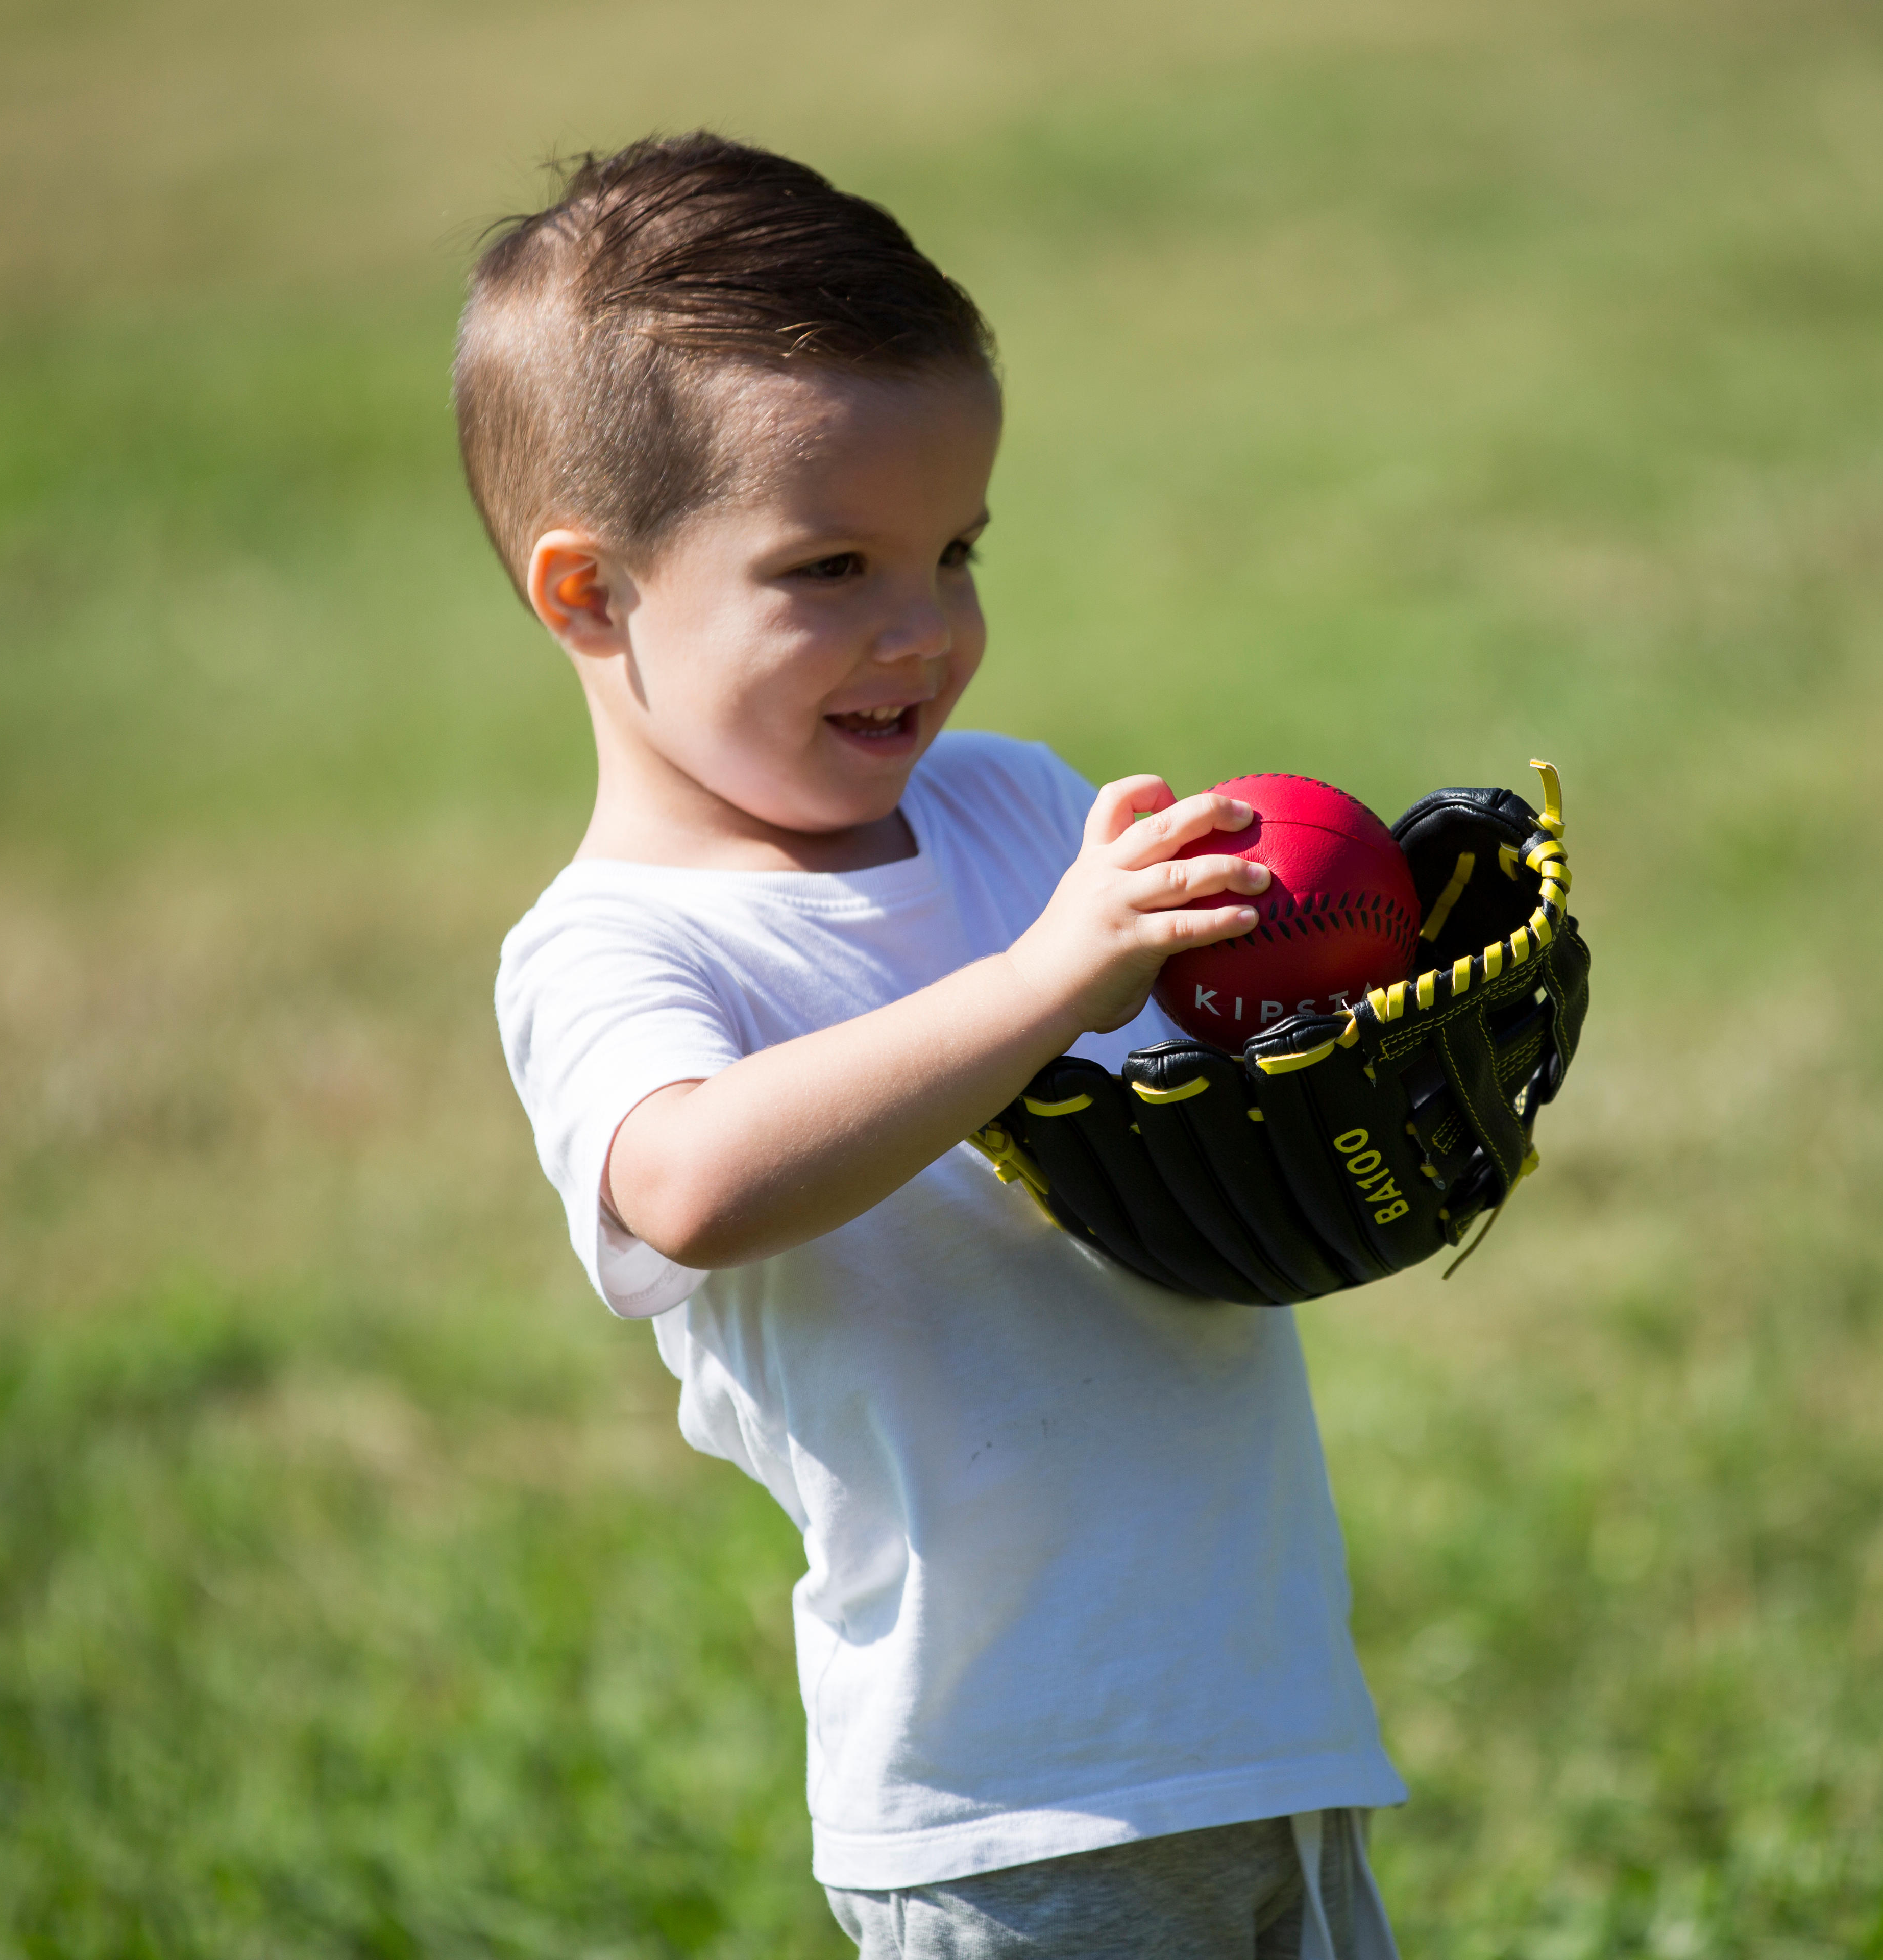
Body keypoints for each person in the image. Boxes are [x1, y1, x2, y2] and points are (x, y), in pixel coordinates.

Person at [471, 133, 1405, 1957]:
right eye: (830, 565)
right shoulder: (617, 945)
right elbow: (686, 1184)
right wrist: (1055, 973)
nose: (929, 630)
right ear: (591, 596)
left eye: (956, 550)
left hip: (1260, 1726)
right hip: (1005, 1805)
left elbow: (1188, 1115)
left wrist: (1346, 1019)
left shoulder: (1012, 817)